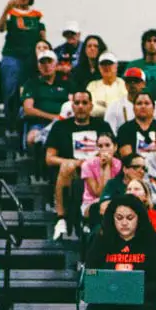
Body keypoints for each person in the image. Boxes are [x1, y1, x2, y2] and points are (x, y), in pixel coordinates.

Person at [45, 90, 111, 239]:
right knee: (66, 166)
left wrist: (90, 162)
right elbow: (49, 158)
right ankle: (61, 218)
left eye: (85, 103)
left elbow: (111, 151)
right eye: (77, 103)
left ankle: (88, 220)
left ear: (91, 106)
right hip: (72, 172)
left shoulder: (102, 126)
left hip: (98, 169)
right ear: (72, 106)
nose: (81, 106)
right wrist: (73, 162)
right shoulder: (60, 127)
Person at [0, 0, 45, 132]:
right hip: (13, 56)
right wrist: (8, 7)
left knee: (29, 90)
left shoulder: (36, 15)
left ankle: (24, 123)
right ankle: (10, 123)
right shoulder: (11, 14)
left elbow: (43, 38)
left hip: (30, 58)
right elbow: (0, 27)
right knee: (11, 88)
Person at [80, 133, 120, 222]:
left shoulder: (119, 165)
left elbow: (115, 191)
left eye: (107, 145)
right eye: (100, 146)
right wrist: (105, 168)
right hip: (90, 203)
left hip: (114, 201)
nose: (104, 149)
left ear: (115, 147)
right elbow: (100, 194)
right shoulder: (87, 165)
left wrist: (109, 165)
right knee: (100, 206)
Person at [116, 92, 156, 159]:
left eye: (147, 103)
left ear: (154, 108)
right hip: (134, 167)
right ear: (133, 108)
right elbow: (126, 157)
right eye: (139, 103)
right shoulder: (124, 129)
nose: (143, 106)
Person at [86, 53, 126, 119]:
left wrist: (103, 107)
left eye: (109, 64)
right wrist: (111, 110)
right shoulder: (92, 85)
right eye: (103, 64)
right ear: (99, 67)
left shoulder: (124, 84)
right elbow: (90, 109)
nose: (106, 67)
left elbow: (125, 108)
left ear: (116, 66)